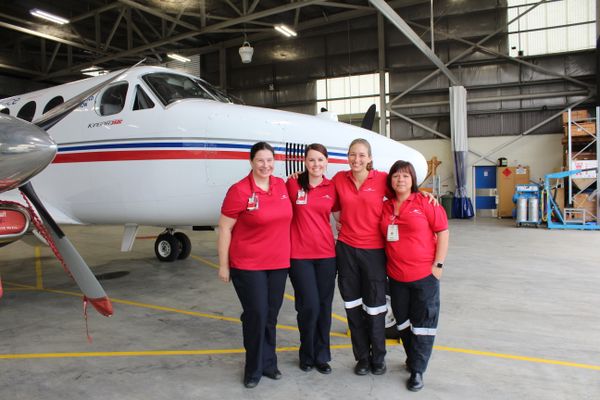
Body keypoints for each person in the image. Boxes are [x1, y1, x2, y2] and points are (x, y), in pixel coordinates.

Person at [217, 141, 293, 389]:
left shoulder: (281, 185)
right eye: (260, 160)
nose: (265, 165)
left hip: (278, 263)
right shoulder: (239, 190)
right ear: (251, 162)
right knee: (257, 314)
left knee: (270, 314)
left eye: (269, 160)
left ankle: (269, 363)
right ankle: (253, 368)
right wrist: (223, 265)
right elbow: (225, 229)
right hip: (248, 264)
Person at [380, 160, 449, 392]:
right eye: (396, 176)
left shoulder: (425, 202)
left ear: (413, 180)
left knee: (423, 323)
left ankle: (418, 370)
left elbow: (443, 232)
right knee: (402, 322)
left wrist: (438, 265)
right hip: (396, 276)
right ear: (390, 180)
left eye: (405, 176)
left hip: (424, 275)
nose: (400, 180)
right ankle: (412, 357)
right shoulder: (386, 206)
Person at [286, 143, 337, 375]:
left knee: (324, 307)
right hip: (299, 256)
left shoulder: (332, 187)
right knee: (309, 306)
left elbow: (341, 216)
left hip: (326, 255)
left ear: (327, 162)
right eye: (312, 160)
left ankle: (322, 356)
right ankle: (306, 354)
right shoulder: (293, 184)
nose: (316, 164)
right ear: (305, 162)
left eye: (320, 160)